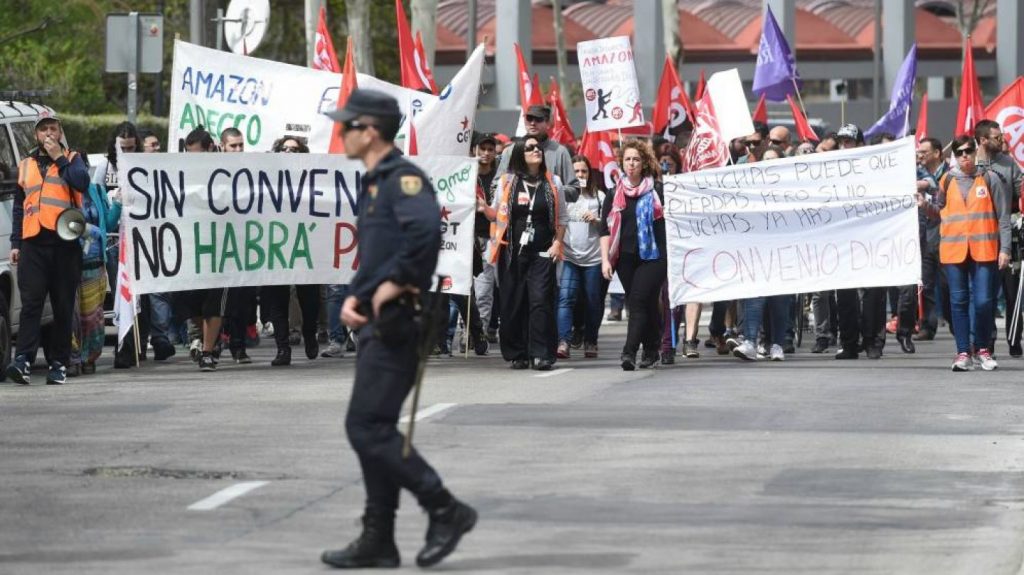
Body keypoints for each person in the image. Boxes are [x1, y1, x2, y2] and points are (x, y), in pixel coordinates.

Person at [321, 89, 476, 569]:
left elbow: (425, 234)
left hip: (399, 321)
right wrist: (358, 293)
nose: (341, 132)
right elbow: (380, 253)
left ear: (370, 131)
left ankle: (444, 507)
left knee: (365, 426)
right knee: (376, 427)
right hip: (379, 319)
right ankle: (379, 538)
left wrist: (392, 285)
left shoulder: (402, 179)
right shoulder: (375, 181)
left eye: (348, 125)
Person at [6, 112, 88, 385]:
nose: (49, 134)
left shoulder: (73, 159)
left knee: (63, 306)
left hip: (64, 244)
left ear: (60, 132)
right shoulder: (26, 164)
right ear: (36, 135)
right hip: (33, 243)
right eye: (44, 130)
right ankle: (23, 360)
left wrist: (59, 158)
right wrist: (16, 242)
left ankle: (59, 363)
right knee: (31, 304)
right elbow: (19, 206)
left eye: (53, 128)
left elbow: (82, 182)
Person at [921, 134, 1011, 371]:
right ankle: (963, 352)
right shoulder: (947, 180)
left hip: (984, 250)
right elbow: (939, 212)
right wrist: (925, 206)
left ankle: (982, 349)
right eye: (959, 153)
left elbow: (1003, 218)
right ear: (955, 156)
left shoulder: (990, 178)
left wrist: (1005, 249)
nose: (964, 156)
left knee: (983, 302)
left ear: (975, 152)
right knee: (958, 302)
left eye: (968, 151)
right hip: (954, 250)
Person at [489, 136, 568, 370]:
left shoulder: (553, 182)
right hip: (511, 252)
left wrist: (557, 243)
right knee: (513, 302)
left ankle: (541, 353)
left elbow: (562, 218)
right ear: (519, 155)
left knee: (540, 301)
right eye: (530, 148)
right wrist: (483, 209)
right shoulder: (507, 182)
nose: (536, 151)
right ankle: (518, 353)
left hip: (543, 252)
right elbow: (496, 213)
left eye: (538, 147)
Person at [600, 139, 667, 370]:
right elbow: (604, 230)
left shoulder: (658, 191)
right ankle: (652, 348)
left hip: (654, 256)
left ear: (644, 163)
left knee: (637, 301)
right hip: (625, 257)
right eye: (627, 159)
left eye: (636, 159)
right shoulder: (614, 193)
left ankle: (628, 353)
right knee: (645, 303)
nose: (631, 164)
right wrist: (605, 260)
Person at [262, 136, 321, 366]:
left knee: (309, 298)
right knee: (277, 299)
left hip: (305, 246)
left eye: (294, 150)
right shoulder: (266, 177)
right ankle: (282, 348)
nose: (288, 152)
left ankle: (309, 332)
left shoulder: (312, 179)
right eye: (284, 149)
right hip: (276, 245)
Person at [732, 145, 793, 361]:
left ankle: (777, 344)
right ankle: (750, 341)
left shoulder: (792, 190)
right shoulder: (751, 190)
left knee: (779, 299)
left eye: (773, 160)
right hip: (757, 251)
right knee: (754, 295)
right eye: (765, 160)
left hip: (783, 252)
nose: (769, 164)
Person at [832, 124, 887, 360]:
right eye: (841, 142)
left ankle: (873, 341)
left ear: (860, 144)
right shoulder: (831, 170)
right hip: (842, 239)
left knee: (873, 291)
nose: (844, 146)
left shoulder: (874, 170)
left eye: (849, 141)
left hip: (870, 236)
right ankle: (849, 344)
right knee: (845, 294)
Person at [180, 126, 229, 372]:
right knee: (190, 303)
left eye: (197, 154)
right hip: (192, 247)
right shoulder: (182, 174)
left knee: (213, 303)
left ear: (210, 149)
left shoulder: (228, 172)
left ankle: (208, 352)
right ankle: (213, 338)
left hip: (221, 248)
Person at [975, 119, 1024, 356]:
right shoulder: (969, 163)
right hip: (980, 238)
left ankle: (1015, 340)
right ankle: (987, 342)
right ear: (983, 140)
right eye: (997, 137)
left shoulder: (1008, 163)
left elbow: (1020, 191)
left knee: (1012, 293)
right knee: (985, 297)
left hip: (1008, 238)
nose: (1002, 140)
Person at [557, 155, 605, 359]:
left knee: (593, 301)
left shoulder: (599, 197)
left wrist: (597, 220)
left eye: (584, 171)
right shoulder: (563, 196)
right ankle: (563, 341)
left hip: (594, 259)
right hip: (569, 258)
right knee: (565, 299)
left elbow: (610, 226)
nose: (580, 175)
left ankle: (591, 340)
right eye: (576, 171)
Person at [219, 127, 257, 364]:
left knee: (243, 298)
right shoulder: (213, 170)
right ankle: (215, 342)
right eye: (233, 145)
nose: (238, 149)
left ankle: (238, 345)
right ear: (222, 146)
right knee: (221, 298)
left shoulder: (252, 170)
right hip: (220, 244)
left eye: (241, 145)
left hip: (246, 243)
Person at [495, 104, 578, 199]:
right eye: (529, 118)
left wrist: (549, 190)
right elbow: (496, 185)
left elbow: (574, 190)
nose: (532, 123)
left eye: (538, 119)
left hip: (550, 208)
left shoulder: (560, 152)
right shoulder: (510, 151)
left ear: (548, 123)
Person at [915, 137, 949, 342]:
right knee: (925, 284)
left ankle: (954, 320)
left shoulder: (950, 175)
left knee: (946, 285)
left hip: (947, 237)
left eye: (924, 152)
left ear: (937, 153)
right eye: (918, 152)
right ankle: (927, 325)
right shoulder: (917, 173)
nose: (920, 156)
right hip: (926, 236)